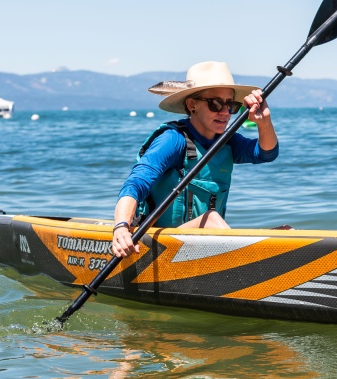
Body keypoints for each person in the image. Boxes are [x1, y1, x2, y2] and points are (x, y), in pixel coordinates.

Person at [111, 61, 279, 257]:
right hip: (163, 244)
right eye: (216, 104)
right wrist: (121, 227)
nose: (225, 112)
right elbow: (135, 184)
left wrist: (264, 123)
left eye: (231, 105)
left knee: (285, 231)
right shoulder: (172, 140)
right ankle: (245, 257)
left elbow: (266, 153)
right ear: (192, 105)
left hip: (201, 245)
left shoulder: (227, 141)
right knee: (211, 219)